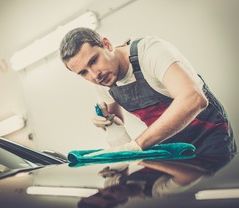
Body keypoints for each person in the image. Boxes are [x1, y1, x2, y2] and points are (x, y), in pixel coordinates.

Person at [59, 27, 237, 155]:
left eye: (94, 61)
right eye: (83, 72)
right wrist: (107, 123)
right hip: (169, 144)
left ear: (106, 44)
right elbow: (116, 120)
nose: (94, 75)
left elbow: (194, 99)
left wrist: (137, 145)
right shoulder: (102, 80)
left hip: (210, 136)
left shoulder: (150, 51)